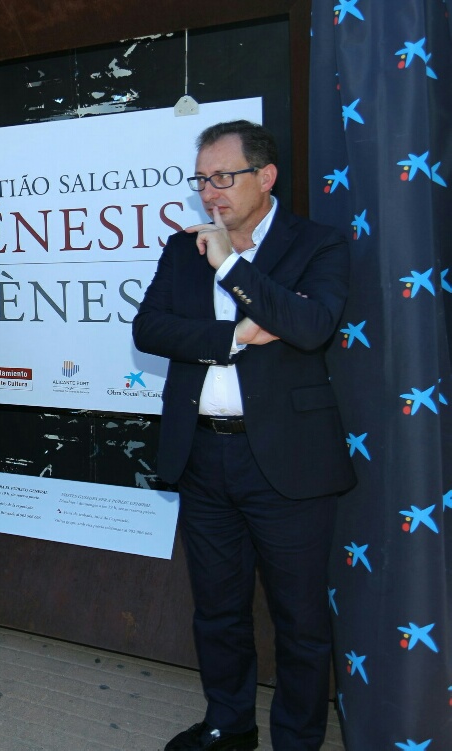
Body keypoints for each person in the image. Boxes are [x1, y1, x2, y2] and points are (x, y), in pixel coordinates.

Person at [132, 120, 356, 751]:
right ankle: (229, 725)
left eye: (223, 178)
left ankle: (297, 739)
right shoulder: (183, 250)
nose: (210, 194)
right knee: (218, 611)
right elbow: (150, 330)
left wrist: (230, 264)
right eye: (202, 179)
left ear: (266, 177)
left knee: (301, 622)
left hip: (290, 465)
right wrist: (233, 337)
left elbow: (309, 325)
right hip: (203, 455)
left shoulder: (318, 244)